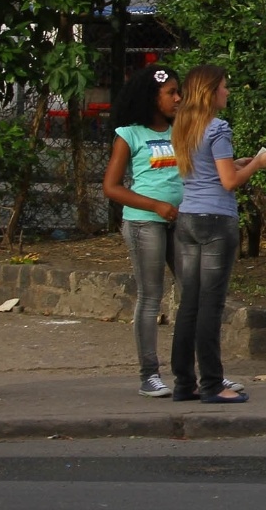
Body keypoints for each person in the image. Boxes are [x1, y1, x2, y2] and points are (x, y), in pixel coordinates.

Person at [170, 65, 266, 404]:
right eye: (224, 87)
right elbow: (228, 183)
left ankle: (185, 382)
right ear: (211, 92)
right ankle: (213, 384)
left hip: (188, 219)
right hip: (216, 221)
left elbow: (208, 170)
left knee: (190, 304)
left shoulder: (184, 126)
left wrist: (237, 161)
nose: (228, 92)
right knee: (210, 306)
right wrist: (257, 163)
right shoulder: (218, 128)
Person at [101, 65, 184, 398]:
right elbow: (111, 187)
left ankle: (198, 370)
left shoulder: (181, 131)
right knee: (151, 298)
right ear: (153, 97)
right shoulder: (129, 134)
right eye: (171, 93)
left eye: (179, 92)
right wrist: (155, 206)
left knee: (194, 292)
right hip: (144, 222)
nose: (179, 98)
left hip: (181, 222)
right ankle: (149, 374)